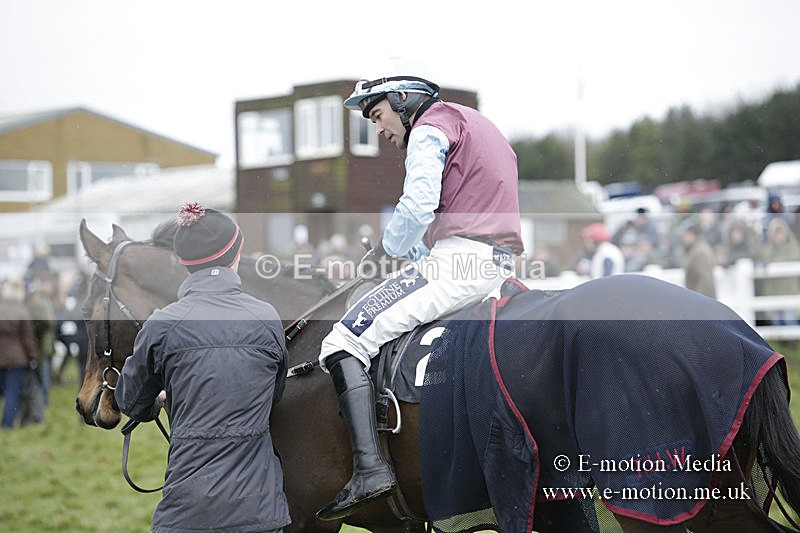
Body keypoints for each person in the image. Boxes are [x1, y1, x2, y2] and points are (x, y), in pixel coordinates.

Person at [316, 58, 524, 520]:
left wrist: (386, 251)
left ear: (402, 101)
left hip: (461, 263)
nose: (380, 130)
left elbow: (417, 205)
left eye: (377, 117)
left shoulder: (431, 126)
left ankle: (370, 471)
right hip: (499, 268)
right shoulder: (477, 126)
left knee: (342, 339)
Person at [114, 202, 291, 533]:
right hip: (259, 509)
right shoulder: (267, 318)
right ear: (236, 255)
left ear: (183, 262)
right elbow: (274, 395)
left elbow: (131, 403)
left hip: (188, 509)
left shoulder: (160, 325)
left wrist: (163, 399)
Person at [0, 280, 38, 428]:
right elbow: (27, 338)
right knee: (12, 393)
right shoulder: (22, 311)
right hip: (17, 359)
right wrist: (33, 357)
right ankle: (7, 424)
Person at [759, 217, 800, 325]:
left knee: (790, 320)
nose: (779, 236)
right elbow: (763, 260)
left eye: (781, 233)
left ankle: (793, 342)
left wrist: (772, 263)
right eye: (776, 234)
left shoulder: (793, 247)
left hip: (789, 290)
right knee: (777, 321)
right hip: (773, 291)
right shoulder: (768, 249)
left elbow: (793, 258)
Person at [26, 270, 56, 408]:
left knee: (46, 377)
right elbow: (39, 324)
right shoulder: (35, 301)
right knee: (42, 378)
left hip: (47, 345)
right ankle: (42, 404)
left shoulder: (46, 299)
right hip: (41, 346)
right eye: (48, 284)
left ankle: (44, 402)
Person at [681, 224, 717, 299]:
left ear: (693, 235)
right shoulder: (696, 249)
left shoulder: (700, 252)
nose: (684, 238)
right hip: (699, 296)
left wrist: (700, 300)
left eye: (686, 235)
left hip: (702, 297)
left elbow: (705, 279)